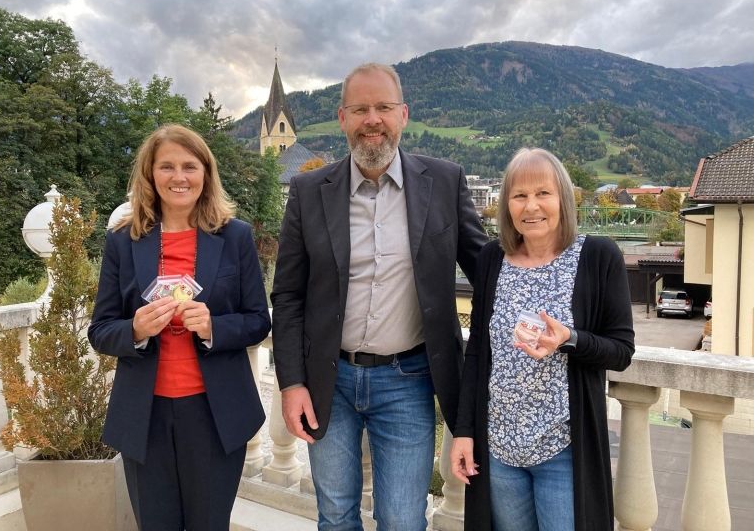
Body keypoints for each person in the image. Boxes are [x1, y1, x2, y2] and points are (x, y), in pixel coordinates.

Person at [271, 63, 487, 530]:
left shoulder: (444, 182)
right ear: (342, 117)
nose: (373, 119)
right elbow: (287, 295)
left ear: (403, 114)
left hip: (409, 381)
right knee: (335, 515)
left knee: (403, 521)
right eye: (361, 108)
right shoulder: (310, 191)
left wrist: (558, 272)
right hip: (329, 381)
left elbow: (489, 270)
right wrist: (291, 383)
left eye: (384, 107)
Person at [88, 124, 271, 531]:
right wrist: (134, 329)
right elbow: (100, 329)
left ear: (205, 173)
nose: (179, 177)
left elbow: (259, 320)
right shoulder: (123, 240)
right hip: (144, 414)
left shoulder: (235, 237)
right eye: (166, 166)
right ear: (150, 174)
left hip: (215, 413)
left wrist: (212, 327)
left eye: (190, 166)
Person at [449, 147, 635, 531]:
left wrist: (570, 339)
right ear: (507, 206)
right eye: (519, 196)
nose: (531, 206)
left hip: (563, 450)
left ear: (562, 199)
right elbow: (478, 354)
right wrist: (464, 432)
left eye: (542, 193)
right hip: (498, 450)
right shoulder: (491, 259)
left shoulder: (597, 257)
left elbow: (621, 351)